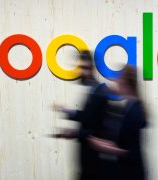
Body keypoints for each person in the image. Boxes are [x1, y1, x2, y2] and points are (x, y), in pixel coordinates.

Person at [53, 50, 109, 180]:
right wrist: (67, 112)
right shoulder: (94, 91)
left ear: (91, 68)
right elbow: (88, 117)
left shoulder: (99, 93)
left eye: (83, 68)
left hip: (94, 163)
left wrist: (74, 133)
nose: (80, 72)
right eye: (80, 68)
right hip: (88, 162)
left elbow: (97, 130)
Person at [88, 65, 148, 180]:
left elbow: (130, 152)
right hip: (128, 171)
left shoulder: (135, 111)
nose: (116, 84)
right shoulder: (131, 106)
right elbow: (124, 143)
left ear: (126, 83)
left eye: (119, 80)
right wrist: (104, 144)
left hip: (132, 173)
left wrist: (104, 147)